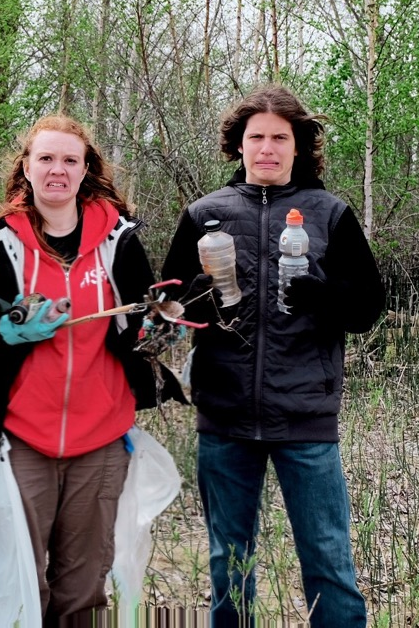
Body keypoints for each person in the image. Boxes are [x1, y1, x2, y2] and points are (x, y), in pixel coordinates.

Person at [0, 115, 185, 625]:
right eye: (46, 158)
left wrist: (162, 328)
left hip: (100, 440)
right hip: (21, 438)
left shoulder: (118, 241)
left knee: (82, 589)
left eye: (69, 160)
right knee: (19, 587)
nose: (58, 170)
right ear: (26, 169)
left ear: (85, 171)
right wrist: (9, 329)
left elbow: (139, 325)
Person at [160, 84, 385, 628]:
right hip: (225, 416)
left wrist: (323, 293)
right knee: (229, 563)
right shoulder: (203, 214)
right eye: (255, 136)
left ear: (298, 146)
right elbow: (166, 308)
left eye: (279, 138)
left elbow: (369, 308)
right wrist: (189, 297)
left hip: (305, 415)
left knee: (329, 560)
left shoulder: (330, 214)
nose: (267, 148)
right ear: (238, 144)